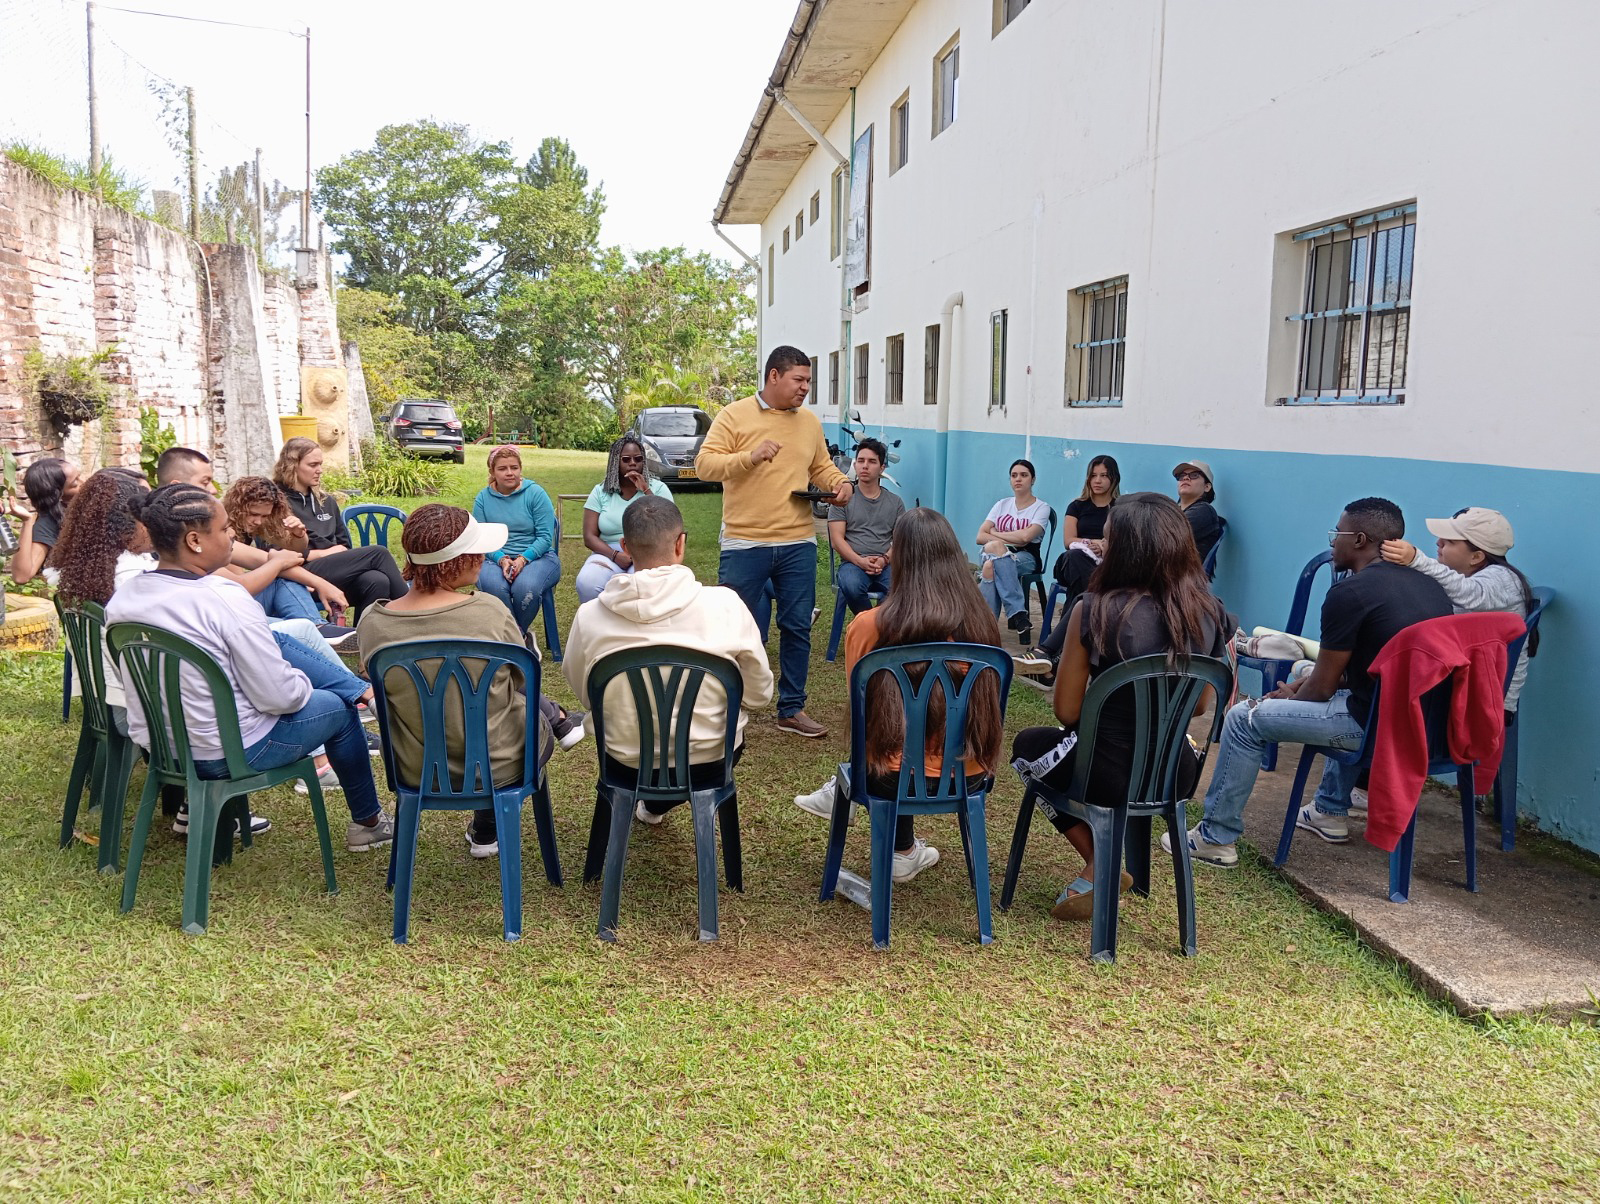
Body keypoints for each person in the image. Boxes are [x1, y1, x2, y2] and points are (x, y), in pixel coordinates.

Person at [104, 484, 395, 853]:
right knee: (335, 709)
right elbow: (281, 697)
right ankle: (368, 822)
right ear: (195, 540)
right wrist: (305, 685)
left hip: (164, 749)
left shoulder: (125, 598)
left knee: (278, 642)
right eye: (225, 529)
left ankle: (361, 692)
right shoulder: (224, 598)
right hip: (228, 751)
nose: (231, 537)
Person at [1168, 498, 1451, 867]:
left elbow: (1323, 689)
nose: (1333, 542)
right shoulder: (1430, 587)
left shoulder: (1350, 593)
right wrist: (1298, 689)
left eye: (1338, 533)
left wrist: (1281, 699)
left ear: (1361, 539)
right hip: (1424, 725)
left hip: (1372, 729)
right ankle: (1329, 811)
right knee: (1308, 676)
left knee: (1242, 719)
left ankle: (1214, 838)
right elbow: (1356, 672)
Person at [1009, 493, 1232, 919]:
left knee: (1027, 749)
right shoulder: (1210, 613)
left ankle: (1100, 861)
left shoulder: (1092, 610)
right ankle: (1105, 865)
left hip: (1102, 771)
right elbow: (1202, 705)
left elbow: (1068, 712)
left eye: (1108, 539)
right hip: (1174, 774)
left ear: (1124, 550)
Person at [358, 504, 582, 860]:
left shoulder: (373, 621)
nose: (483, 556)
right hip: (499, 764)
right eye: (476, 549)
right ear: (454, 560)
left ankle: (485, 824)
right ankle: (489, 823)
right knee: (526, 716)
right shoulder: (489, 612)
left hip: (413, 766)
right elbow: (522, 677)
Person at [794, 508, 1004, 882]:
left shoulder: (869, 626)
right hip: (969, 774)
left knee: (890, 737)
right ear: (954, 556)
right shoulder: (982, 624)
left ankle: (898, 845)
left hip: (885, 777)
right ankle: (904, 851)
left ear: (900, 558)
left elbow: (864, 713)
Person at [563, 495, 773, 825]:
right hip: (711, 761)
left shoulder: (590, 616)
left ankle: (651, 804)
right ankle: (657, 806)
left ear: (625, 547)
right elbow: (759, 695)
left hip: (625, 761)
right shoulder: (727, 605)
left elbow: (586, 693)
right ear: (681, 543)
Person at [694, 345, 849, 739]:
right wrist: (749, 456)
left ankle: (792, 709)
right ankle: (722, 707)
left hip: (798, 542)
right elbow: (705, 465)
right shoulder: (734, 415)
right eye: (799, 380)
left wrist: (839, 485)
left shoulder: (809, 422)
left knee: (797, 627)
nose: (805, 388)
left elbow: (821, 467)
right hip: (745, 542)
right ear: (774, 376)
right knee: (733, 627)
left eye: (809, 381)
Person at [1380, 507, 1535, 717]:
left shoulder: (1502, 579)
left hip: (1489, 702)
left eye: (1450, 542)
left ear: (1477, 556)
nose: (1439, 543)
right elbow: (1450, 581)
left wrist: (1417, 560)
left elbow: (1469, 593)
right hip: (1477, 686)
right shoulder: (1472, 573)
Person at [272, 437, 407, 619]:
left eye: (320, 464)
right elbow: (270, 552)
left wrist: (334, 553)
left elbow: (344, 546)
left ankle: (359, 640)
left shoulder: (326, 501)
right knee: (378, 553)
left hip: (334, 571)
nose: (319, 470)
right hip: (299, 575)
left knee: (377, 580)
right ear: (292, 465)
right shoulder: (275, 502)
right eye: (313, 465)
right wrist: (321, 554)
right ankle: (412, 613)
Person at [1020, 454, 1121, 676]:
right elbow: (1069, 541)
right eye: (1093, 475)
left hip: (1102, 568)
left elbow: (1122, 542)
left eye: (1104, 476)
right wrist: (1096, 543)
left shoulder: (1120, 508)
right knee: (1076, 560)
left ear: (1113, 479)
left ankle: (1052, 655)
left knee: (1082, 596)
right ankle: (1070, 646)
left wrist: (1106, 547)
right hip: (1073, 563)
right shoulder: (1077, 506)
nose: (1098, 480)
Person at [220, 476, 351, 639]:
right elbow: (240, 585)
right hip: (227, 611)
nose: (259, 521)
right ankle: (316, 629)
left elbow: (294, 550)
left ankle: (316, 629)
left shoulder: (248, 526)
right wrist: (281, 565)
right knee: (377, 554)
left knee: (374, 579)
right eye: (253, 514)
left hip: (236, 603)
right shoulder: (217, 536)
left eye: (265, 516)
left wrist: (299, 535)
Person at [471, 445, 562, 633]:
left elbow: (545, 537)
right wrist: (502, 559)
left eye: (514, 467)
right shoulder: (483, 498)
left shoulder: (535, 493)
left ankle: (513, 638)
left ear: (520, 469)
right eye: (502, 468)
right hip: (493, 558)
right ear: (492, 472)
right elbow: (482, 538)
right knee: (495, 587)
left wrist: (522, 559)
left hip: (538, 556)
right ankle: (520, 638)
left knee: (525, 588)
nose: (509, 473)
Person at [574, 435, 673, 605]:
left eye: (638, 459)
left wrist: (646, 490)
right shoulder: (600, 492)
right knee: (587, 583)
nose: (633, 463)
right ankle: (601, 628)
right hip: (608, 552)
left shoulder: (658, 488)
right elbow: (589, 537)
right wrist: (615, 555)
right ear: (615, 462)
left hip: (648, 552)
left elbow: (670, 523)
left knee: (644, 586)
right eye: (626, 459)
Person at [976, 458, 1050, 644]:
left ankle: (985, 625)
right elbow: (980, 536)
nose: (1018, 479)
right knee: (996, 550)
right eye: (1014, 475)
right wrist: (1003, 540)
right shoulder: (1002, 504)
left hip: (1026, 556)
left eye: (1024, 475)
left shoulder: (1041, 508)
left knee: (989, 567)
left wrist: (995, 534)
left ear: (1033, 479)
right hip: (993, 551)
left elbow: (1026, 538)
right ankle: (1018, 614)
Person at [827, 437, 905, 616]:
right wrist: (859, 561)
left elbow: (901, 540)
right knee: (852, 586)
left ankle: (882, 627)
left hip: (885, 564)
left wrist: (884, 559)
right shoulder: (844, 499)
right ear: (855, 465)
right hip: (852, 563)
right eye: (860, 461)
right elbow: (837, 541)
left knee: (901, 588)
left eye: (872, 462)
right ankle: (871, 627)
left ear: (882, 468)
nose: (865, 466)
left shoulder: (895, 502)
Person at [6, 456, 81, 585]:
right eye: (75, 483)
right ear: (59, 495)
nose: (84, 482)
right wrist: (27, 521)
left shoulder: (86, 507)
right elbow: (21, 577)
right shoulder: (49, 523)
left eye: (80, 476)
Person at [1172, 458, 1222, 563]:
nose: (1185, 478)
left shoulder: (1204, 511)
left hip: (1179, 576)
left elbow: (1165, 537)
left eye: (1194, 475)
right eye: (1181, 476)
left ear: (1207, 487)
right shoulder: (1174, 509)